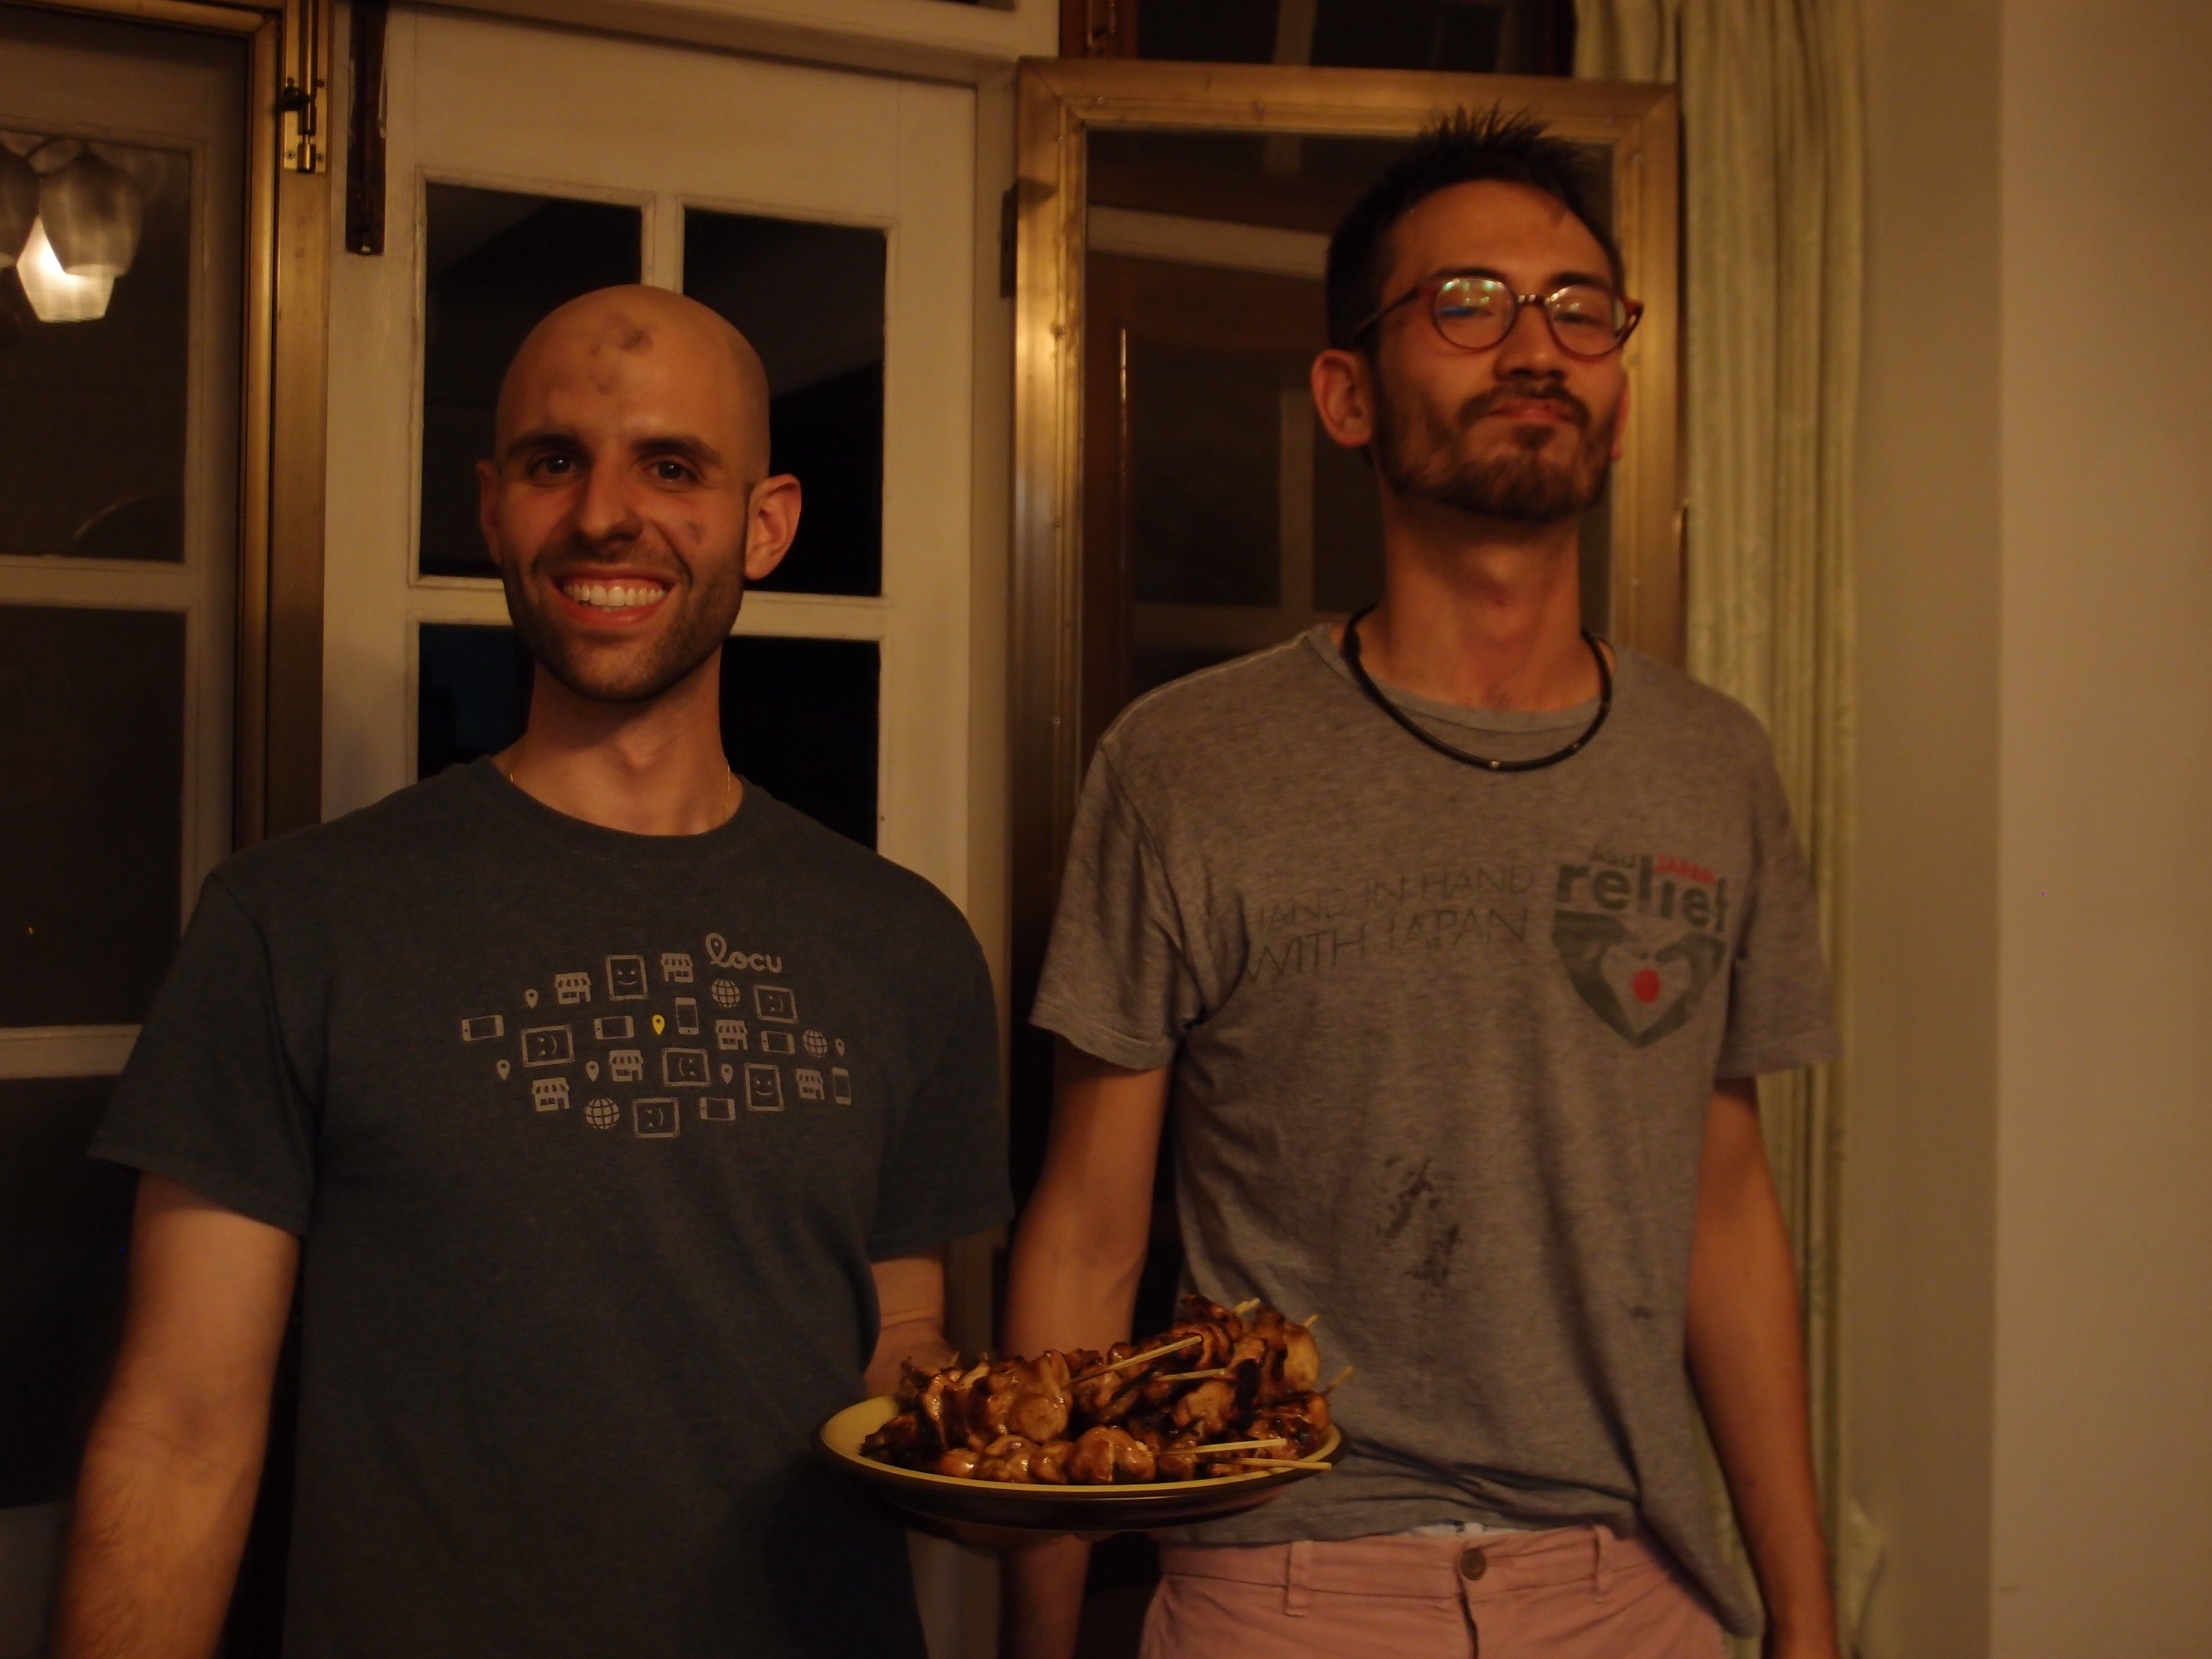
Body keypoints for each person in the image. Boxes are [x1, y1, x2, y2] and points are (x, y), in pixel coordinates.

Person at [52, 286, 1008, 1658]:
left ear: (767, 524)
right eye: (557, 461)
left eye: (671, 467)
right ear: (494, 509)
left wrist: (1014, 1457)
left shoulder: (905, 944)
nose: (606, 515)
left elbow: (896, 1330)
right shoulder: (296, 921)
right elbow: (179, 1431)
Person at [1002, 111, 1840, 1659]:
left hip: (1635, 1590)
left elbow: (1724, 1207)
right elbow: (1088, 1235)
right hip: (1288, 1584)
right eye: (1467, 303)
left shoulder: (1713, 765)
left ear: (1620, 398)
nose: (1534, 348)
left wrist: (1805, 1616)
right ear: (1347, 394)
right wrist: (1038, 1641)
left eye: (1578, 311)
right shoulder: (1187, 763)